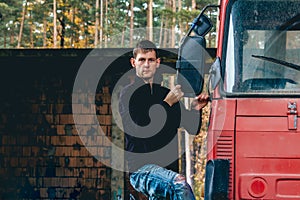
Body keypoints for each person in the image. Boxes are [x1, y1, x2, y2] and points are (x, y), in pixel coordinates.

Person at [119, 40, 209, 199]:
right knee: (180, 186)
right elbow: (140, 129)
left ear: (158, 63)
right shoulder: (128, 94)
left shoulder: (165, 93)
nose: (146, 65)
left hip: (168, 169)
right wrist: (167, 103)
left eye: (151, 60)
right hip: (142, 169)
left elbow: (191, 127)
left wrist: (196, 108)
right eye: (142, 60)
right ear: (133, 63)